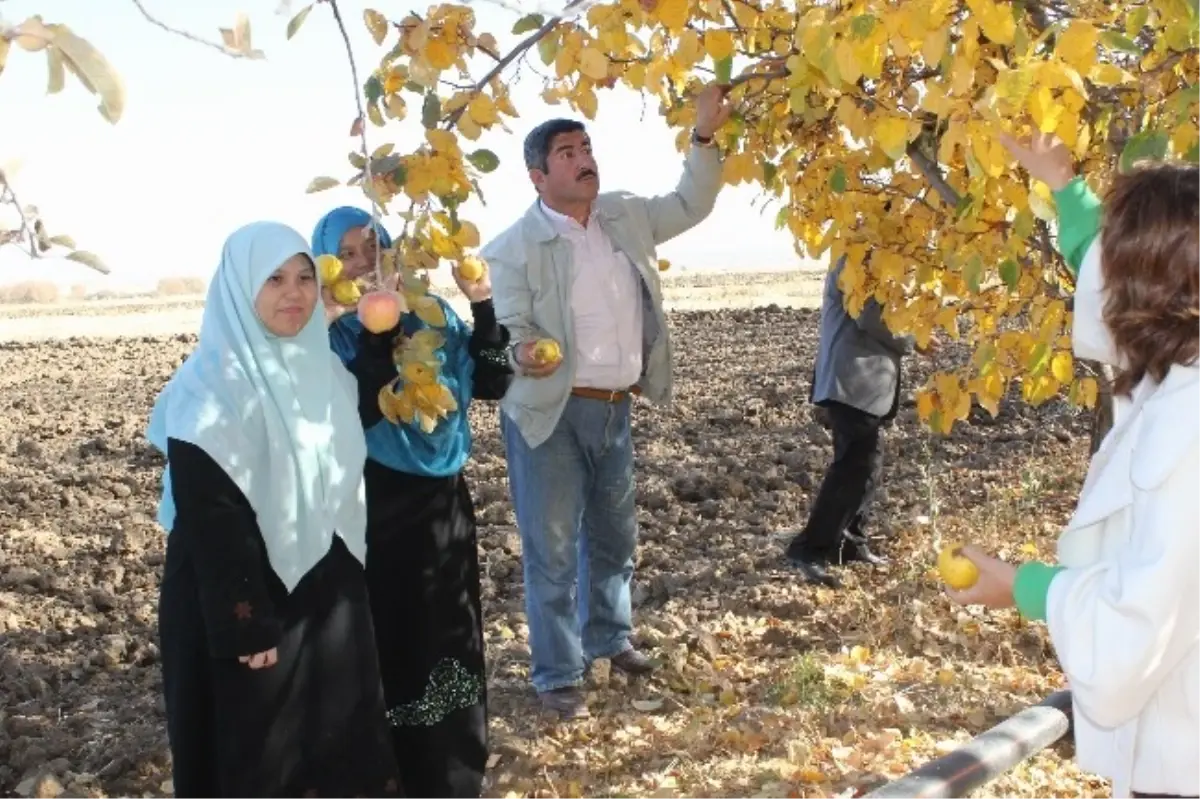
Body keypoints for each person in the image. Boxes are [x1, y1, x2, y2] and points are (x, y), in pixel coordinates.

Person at [947, 157, 1200, 799]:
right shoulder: (1182, 367)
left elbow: (1136, 626)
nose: (1101, 285)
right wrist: (1067, 187)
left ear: (1149, 292)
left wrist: (1028, 589)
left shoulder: (1187, 432)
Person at [482, 83, 732, 718]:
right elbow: (508, 331)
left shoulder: (625, 215)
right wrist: (525, 353)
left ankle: (610, 639)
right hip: (551, 413)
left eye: (587, 146)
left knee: (617, 536)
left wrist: (703, 137)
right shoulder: (512, 248)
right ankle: (557, 673)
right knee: (554, 546)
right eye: (567, 152)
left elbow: (691, 202)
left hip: (616, 406)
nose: (583, 158)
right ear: (539, 176)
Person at [147, 221, 401, 798]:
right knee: (260, 751)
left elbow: (360, 410)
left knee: (334, 742)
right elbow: (211, 516)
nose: (295, 292)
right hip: (246, 594)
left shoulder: (318, 367)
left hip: (321, 584)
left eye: (306, 278)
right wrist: (246, 622)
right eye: (275, 279)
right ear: (239, 290)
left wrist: (380, 337)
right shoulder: (209, 387)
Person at [312, 206, 511, 799]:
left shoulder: (435, 316)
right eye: (345, 254)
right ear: (327, 267)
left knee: (451, 629)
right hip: (376, 500)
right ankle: (396, 769)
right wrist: (370, 326)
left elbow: (494, 381)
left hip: (444, 500)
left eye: (372, 245)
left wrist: (481, 303)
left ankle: (454, 769)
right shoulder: (330, 335)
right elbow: (359, 413)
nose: (363, 261)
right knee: (394, 635)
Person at [784, 255, 934, 586]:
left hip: (861, 385)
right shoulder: (857, 256)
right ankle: (807, 549)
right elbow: (871, 317)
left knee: (866, 465)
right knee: (854, 466)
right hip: (852, 382)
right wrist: (914, 339)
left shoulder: (871, 254)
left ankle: (850, 544)